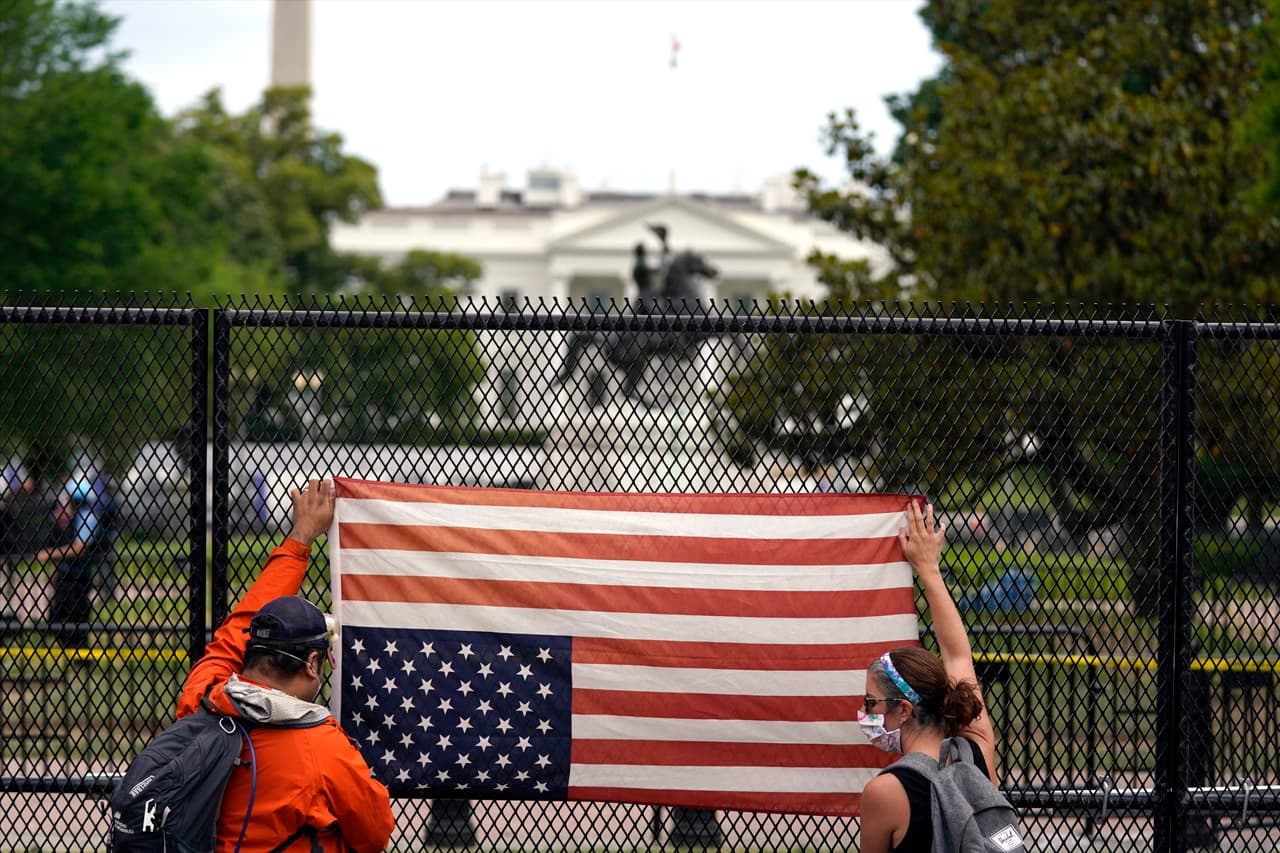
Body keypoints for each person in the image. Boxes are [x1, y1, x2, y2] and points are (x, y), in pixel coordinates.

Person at [176, 478, 394, 852]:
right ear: (312, 663)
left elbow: (234, 633)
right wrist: (303, 535)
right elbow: (375, 834)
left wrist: (299, 538)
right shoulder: (321, 746)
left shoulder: (203, 699)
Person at [857, 501, 998, 853]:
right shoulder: (977, 752)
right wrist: (929, 568)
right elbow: (958, 656)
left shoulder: (885, 792)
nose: (865, 713)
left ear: (904, 709)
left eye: (871, 702)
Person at [34, 478, 108, 648]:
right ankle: (69, 647)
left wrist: (49, 554)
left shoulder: (87, 517)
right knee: (56, 617)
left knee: (77, 621)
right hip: (66, 575)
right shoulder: (74, 517)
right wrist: (56, 571)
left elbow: (79, 548)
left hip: (79, 577)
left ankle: (78, 653)